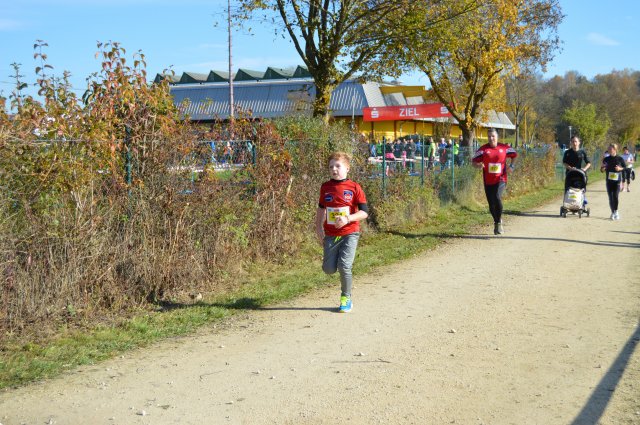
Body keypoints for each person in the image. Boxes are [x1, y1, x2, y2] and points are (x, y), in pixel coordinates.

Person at [315, 152, 369, 312]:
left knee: (344, 266)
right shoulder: (325, 187)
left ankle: (346, 297)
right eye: (331, 166)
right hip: (331, 234)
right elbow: (321, 208)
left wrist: (348, 218)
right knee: (328, 269)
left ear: (347, 168)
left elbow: (364, 212)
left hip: (350, 232)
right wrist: (318, 227)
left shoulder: (354, 187)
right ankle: (339, 260)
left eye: (338, 166)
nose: (334, 169)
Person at [472, 128, 518, 235]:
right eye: (489, 136)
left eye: (493, 136)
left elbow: (515, 155)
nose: (491, 138)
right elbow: (473, 162)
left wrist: (512, 166)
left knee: (497, 196)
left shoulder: (504, 148)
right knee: (491, 205)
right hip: (488, 180)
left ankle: (499, 222)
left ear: (497, 137)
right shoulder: (483, 149)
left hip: (501, 178)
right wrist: (478, 165)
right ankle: (496, 221)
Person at [600, 143, 626, 220]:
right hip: (609, 181)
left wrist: (620, 169)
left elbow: (625, 168)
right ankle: (612, 212)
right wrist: (603, 169)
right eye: (608, 149)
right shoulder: (606, 159)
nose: (609, 150)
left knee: (615, 196)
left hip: (617, 181)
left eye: (611, 148)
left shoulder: (620, 158)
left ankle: (616, 211)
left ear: (615, 149)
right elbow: (601, 170)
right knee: (610, 197)